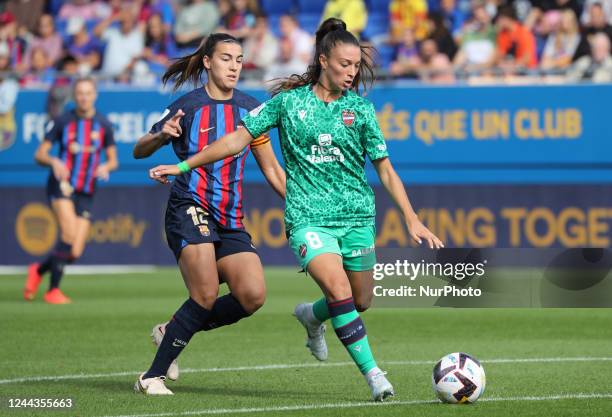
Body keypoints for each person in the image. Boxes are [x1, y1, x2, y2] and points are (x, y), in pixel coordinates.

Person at [149, 18, 443, 402]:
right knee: (337, 288)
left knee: (360, 300)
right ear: (323, 60)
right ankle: (374, 375)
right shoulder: (288, 103)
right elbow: (238, 138)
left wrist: (411, 217)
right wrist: (184, 165)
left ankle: (311, 315)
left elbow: (385, 169)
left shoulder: (361, 111)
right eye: (344, 64)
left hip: (356, 218)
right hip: (307, 218)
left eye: (356, 66)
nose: (352, 73)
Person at [132, 33, 285, 395]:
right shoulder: (188, 106)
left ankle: (170, 330)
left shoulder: (251, 110)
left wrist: (301, 202)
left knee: (252, 295)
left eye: (239, 59)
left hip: (230, 218)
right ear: (207, 62)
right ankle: (150, 377)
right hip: (189, 206)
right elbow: (140, 149)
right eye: (226, 58)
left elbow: (273, 170)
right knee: (203, 293)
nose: (234, 66)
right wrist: (159, 137)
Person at [24, 77, 118, 304]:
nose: (84, 97)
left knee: (74, 251)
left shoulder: (103, 124)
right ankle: (52, 291)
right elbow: (40, 154)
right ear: (74, 96)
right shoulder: (62, 121)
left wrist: (106, 166)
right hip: (62, 184)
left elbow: (114, 160)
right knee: (67, 234)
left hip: (86, 189)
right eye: (80, 93)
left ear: (95, 95)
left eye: (88, 93)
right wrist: (54, 162)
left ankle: (38, 270)